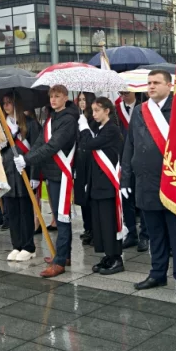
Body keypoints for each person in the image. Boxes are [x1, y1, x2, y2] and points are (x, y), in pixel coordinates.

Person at [121, 70, 176, 296]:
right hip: (146, 181)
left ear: (169, 85)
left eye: (156, 83)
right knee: (155, 233)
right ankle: (157, 273)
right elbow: (129, 145)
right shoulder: (141, 111)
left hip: (173, 181)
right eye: (149, 83)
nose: (151, 87)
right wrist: (125, 176)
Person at [15, 85, 79, 278]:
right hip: (51, 173)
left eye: (57, 96)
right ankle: (63, 255)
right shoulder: (53, 118)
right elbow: (41, 142)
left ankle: (60, 262)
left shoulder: (68, 119)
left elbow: (53, 145)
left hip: (62, 174)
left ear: (66, 97)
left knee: (62, 218)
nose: (53, 100)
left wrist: (27, 159)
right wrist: (26, 156)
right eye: (51, 96)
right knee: (60, 218)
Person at [79, 97, 125, 275]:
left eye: (97, 110)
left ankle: (116, 258)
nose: (94, 114)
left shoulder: (111, 129)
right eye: (93, 110)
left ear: (107, 110)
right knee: (99, 223)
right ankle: (107, 255)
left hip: (107, 185)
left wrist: (83, 127)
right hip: (96, 185)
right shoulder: (98, 129)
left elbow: (88, 144)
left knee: (108, 223)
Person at [2, 93, 41, 261]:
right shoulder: (2, 126)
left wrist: (35, 175)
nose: (6, 106)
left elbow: (37, 150)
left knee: (25, 211)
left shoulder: (31, 124)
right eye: (4, 103)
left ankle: (28, 246)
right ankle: (16, 245)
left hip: (24, 172)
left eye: (9, 103)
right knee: (12, 212)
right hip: (7, 173)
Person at [114, 90, 147, 250]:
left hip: (141, 158)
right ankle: (132, 233)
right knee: (126, 200)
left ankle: (145, 236)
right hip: (124, 158)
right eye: (121, 93)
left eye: (127, 93)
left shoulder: (144, 108)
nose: (124, 96)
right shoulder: (116, 109)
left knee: (142, 199)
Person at [74, 92, 97, 246]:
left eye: (84, 99)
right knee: (82, 196)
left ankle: (95, 230)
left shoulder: (93, 120)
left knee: (91, 197)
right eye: (80, 99)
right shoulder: (78, 119)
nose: (82, 102)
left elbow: (93, 139)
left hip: (92, 161)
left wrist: (85, 126)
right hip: (80, 160)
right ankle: (87, 228)